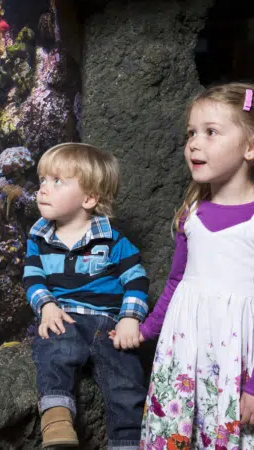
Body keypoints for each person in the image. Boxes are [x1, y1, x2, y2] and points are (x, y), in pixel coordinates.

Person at [135, 82, 254, 448]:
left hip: (236, 362)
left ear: (250, 147)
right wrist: (143, 332)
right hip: (184, 354)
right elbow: (176, 281)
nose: (194, 144)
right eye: (191, 133)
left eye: (211, 132)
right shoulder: (192, 213)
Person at [23, 142, 149, 449]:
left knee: (127, 380)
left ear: (89, 198)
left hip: (109, 323)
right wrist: (47, 306)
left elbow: (137, 279)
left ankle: (129, 443)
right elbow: (33, 279)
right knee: (55, 351)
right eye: (42, 180)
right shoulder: (38, 238)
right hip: (64, 314)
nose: (43, 189)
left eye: (57, 182)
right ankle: (56, 420)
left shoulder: (113, 241)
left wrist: (131, 319)